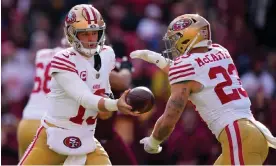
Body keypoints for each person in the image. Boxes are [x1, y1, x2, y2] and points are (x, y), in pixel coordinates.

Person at [131, 14, 276, 165]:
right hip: (251, 133)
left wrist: (154, 141)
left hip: (238, 136)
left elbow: (170, 117)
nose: (174, 45)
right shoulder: (220, 51)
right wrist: (158, 60)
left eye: (176, 39)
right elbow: (196, 71)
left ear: (188, 38)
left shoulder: (186, 67)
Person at [19, 4, 136, 165]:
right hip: (53, 136)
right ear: (71, 35)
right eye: (85, 34)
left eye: (95, 33)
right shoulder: (62, 60)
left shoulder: (106, 55)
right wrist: (115, 103)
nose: (91, 40)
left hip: (86, 138)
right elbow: (84, 97)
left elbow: (103, 108)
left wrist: (107, 105)